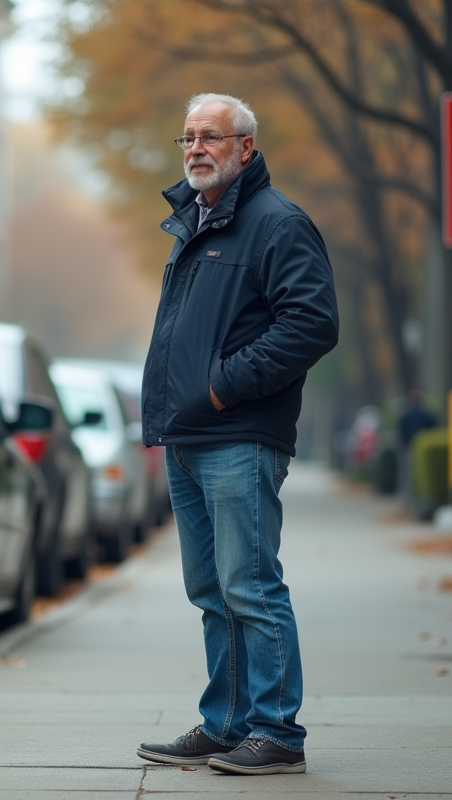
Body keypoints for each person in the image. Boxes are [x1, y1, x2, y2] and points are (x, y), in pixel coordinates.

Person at [136, 93, 339, 776]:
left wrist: (225, 385)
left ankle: (277, 731)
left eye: (212, 137)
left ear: (245, 148)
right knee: (212, 593)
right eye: (188, 137)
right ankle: (225, 723)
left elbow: (311, 323)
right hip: (188, 437)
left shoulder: (276, 223)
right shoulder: (197, 220)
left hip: (240, 433)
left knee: (250, 586)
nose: (196, 148)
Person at [397, 387, 437, 501]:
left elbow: (401, 432)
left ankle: (407, 499)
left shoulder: (405, 415)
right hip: (423, 449)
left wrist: (404, 445)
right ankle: (421, 497)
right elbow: (433, 430)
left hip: (409, 447)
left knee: (408, 475)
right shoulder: (427, 414)